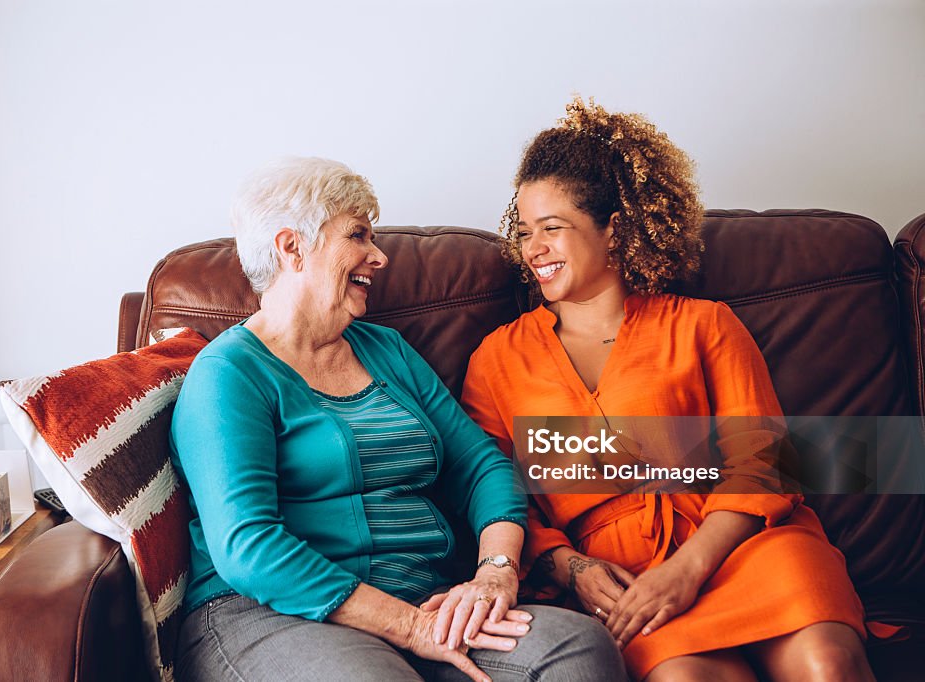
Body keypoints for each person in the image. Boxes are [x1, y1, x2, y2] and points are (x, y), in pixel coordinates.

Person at [461, 99, 874, 682]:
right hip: (623, 580)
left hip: (738, 548)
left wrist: (687, 569)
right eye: (525, 232)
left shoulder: (705, 324)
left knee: (826, 664)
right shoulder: (497, 359)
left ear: (614, 229)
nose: (533, 249)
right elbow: (500, 496)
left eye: (553, 229)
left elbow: (762, 466)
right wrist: (573, 567)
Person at [170, 157, 626, 682]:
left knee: (575, 648)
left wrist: (494, 574)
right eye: (358, 235)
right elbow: (246, 547)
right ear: (291, 246)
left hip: (425, 600)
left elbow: (482, 466)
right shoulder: (230, 374)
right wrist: (408, 627)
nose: (378, 256)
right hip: (271, 613)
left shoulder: (386, 349)